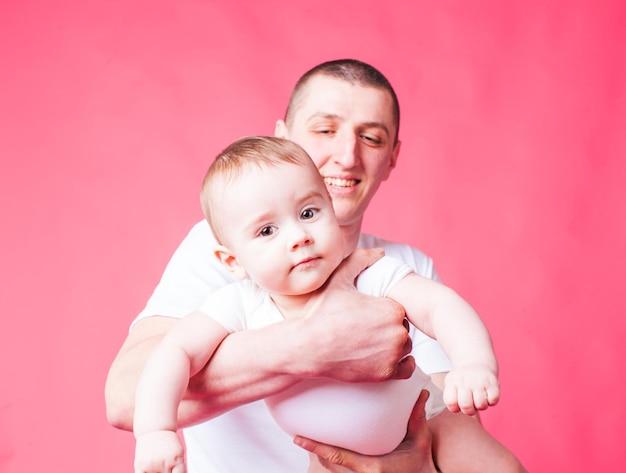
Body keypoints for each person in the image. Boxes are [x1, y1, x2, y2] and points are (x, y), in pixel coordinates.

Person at [106, 59, 527, 472]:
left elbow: (446, 348)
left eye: (373, 138)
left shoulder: (379, 267)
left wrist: (472, 370)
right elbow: (140, 383)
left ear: (393, 158)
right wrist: (315, 345)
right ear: (284, 136)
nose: (347, 156)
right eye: (325, 129)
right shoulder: (231, 262)